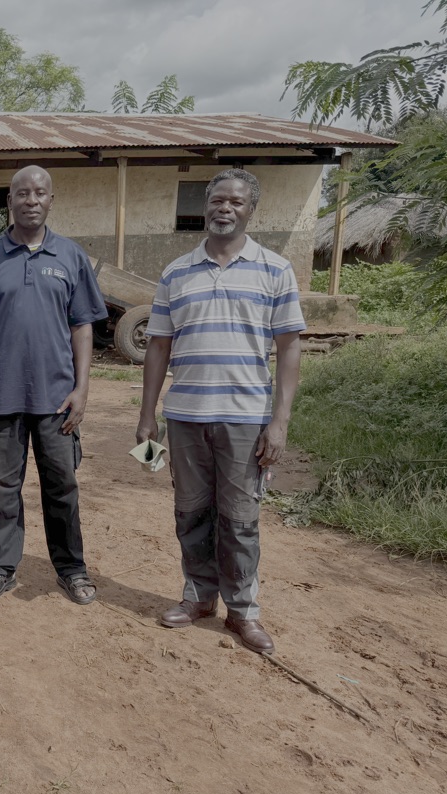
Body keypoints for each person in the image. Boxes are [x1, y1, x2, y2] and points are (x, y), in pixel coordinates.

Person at [136, 168, 304, 654]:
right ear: (205, 205)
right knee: (191, 512)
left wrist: (279, 422)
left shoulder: (275, 269)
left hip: (245, 418)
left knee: (240, 518)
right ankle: (198, 596)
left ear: (251, 210)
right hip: (185, 415)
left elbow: (289, 347)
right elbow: (158, 346)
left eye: (235, 201)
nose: (224, 208)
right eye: (216, 200)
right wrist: (147, 416)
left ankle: (243, 611)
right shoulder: (176, 272)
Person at [0, 165, 107, 605]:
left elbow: (82, 326)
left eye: (39, 193)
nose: (31, 201)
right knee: (0, 489)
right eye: (22, 193)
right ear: (10, 201)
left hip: (56, 397)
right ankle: (1, 568)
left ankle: (72, 569)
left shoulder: (71, 257)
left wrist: (82, 389)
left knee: (62, 486)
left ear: (51, 201)